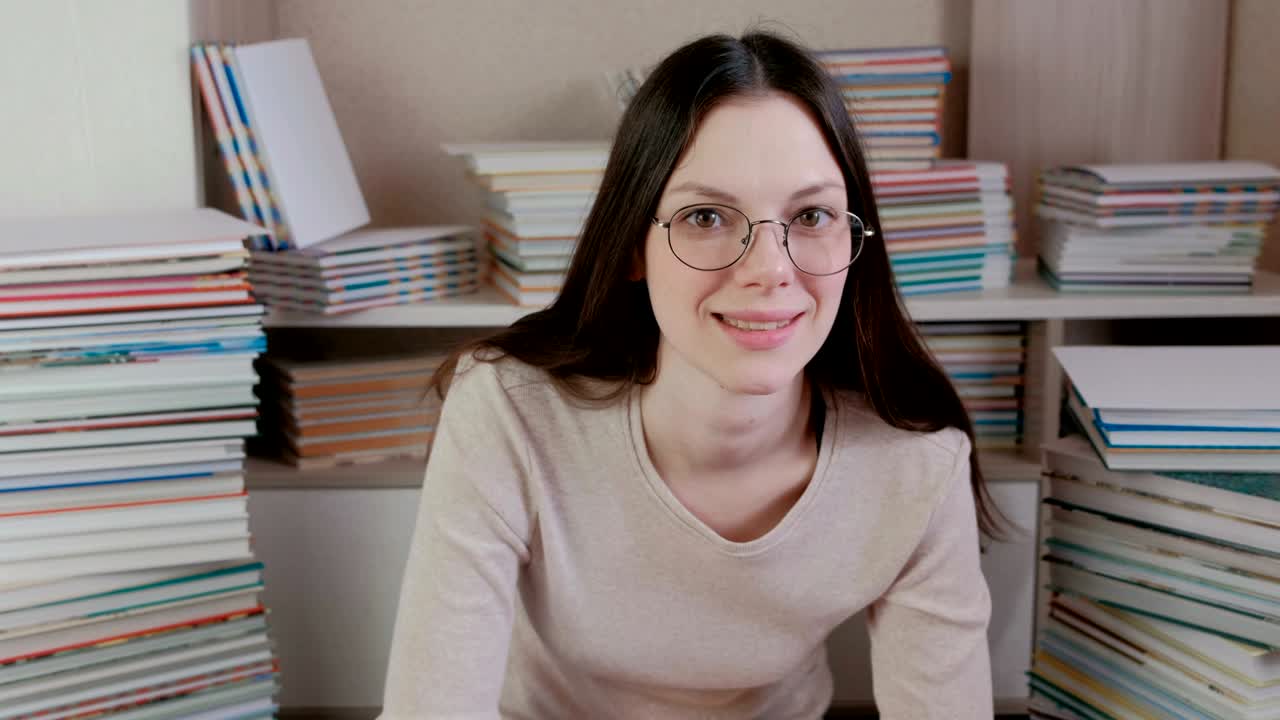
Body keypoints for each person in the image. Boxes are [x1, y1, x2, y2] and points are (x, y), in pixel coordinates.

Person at [379, 30, 997, 720]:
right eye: (707, 216)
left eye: (812, 215)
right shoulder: (509, 411)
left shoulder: (917, 463)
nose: (770, 269)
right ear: (632, 248)